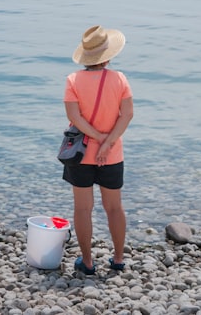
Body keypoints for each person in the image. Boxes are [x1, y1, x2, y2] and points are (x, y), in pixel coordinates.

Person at [63, 24, 133, 275]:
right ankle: (117, 258)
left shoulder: (72, 80)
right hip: (112, 155)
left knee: (83, 208)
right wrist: (108, 142)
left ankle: (88, 262)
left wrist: (97, 138)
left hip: (80, 155)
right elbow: (127, 115)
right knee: (114, 207)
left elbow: (75, 117)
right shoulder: (120, 79)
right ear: (108, 55)